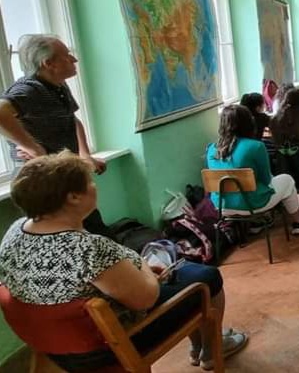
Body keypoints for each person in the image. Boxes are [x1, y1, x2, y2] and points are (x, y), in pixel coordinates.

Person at [0, 152, 247, 372]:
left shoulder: (15, 233)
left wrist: (135, 270)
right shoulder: (88, 248)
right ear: (73, 197)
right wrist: (145, 270)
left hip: (50, 341)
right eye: (90, 182)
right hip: (108, 345)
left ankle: (200, 345)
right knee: (206, 277)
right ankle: (211, 348)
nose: (94, 186)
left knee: (186, 272)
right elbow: (146, 299)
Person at [0, 35, 108, 236]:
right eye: (67, 56)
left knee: (95, 232)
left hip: (65, 174)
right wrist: (33, 148)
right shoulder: (30, 89)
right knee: (66, 235)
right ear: (48, 63)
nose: (74, 59)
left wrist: (85, 155)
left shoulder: (58, 86)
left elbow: (72, 119)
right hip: (44, 182)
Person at [207, 105, 299, 235]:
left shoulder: (211, 149)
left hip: (221, 205)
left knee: (256, 187)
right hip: (253, 204)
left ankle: (257, 223)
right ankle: (298, 223)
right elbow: (266, 180)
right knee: (287, 180)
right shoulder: (256, 146)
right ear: (248, 123)